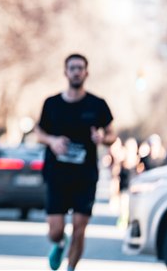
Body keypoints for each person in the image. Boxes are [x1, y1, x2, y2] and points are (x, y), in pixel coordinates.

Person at [36, 54, 115, 271]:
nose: (76, 72)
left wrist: (102, 138)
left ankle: (71, 268)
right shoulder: (52, 104)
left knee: (79, 229)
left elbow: (112, 134)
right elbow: (39, 132)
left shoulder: (97, 104)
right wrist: (52, 141)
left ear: (86, 73)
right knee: (55, 231)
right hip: (56, 175)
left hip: (85, 176)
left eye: (80, 68)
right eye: (72, 68)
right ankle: (60, 243)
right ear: (66, 72)